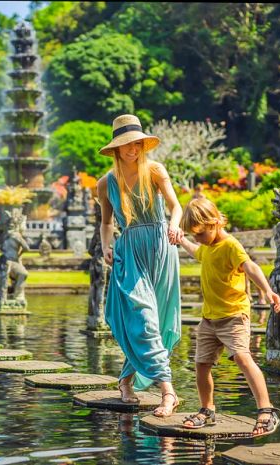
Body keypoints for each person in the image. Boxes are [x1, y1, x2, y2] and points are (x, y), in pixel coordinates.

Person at [96, 114, 183, 417]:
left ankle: (124, 380)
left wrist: (175, 225)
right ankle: (168, 392)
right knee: (144, 319)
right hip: (130, 253)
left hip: (162, 248)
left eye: (137, 144)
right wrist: (107, 246)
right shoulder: (105, 183)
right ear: (117, 149)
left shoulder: (155, 170)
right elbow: (107, 223)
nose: (133, 150)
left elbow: (176, 207)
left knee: (155, 324)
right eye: (127, 145)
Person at [178, 197, 280, 437]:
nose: (198, 239)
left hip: (234, 315)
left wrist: (266, 290)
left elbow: (251, 267)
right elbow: (197, 252)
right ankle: (207, 410)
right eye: (194, 235)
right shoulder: (207, 246)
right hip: (209, 318)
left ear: (214, 223)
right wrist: (181, 239)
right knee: (201, 364)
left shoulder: (231, 245)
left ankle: (266, 411)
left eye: (200, 234)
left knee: (242, 358)